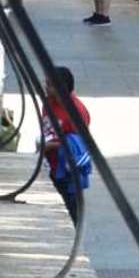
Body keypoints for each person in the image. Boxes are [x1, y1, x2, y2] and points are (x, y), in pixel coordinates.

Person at [40, 66, 91, 224]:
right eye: (46, 83)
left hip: (68, 169)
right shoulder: (48, 103)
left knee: (71, 212)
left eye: (50, 85)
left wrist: (53, 146)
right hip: (51, 164)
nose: (46, 87)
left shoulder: (76, 111)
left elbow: (79, 145)